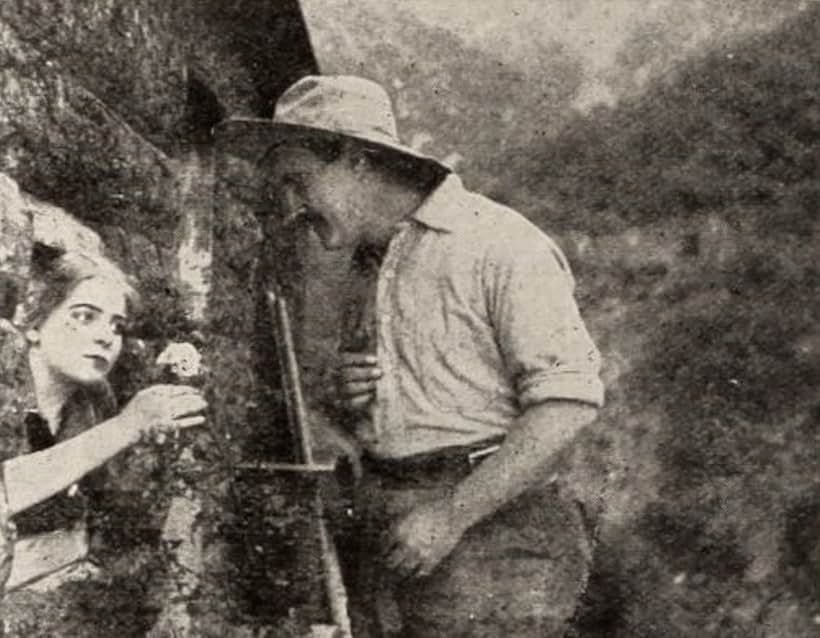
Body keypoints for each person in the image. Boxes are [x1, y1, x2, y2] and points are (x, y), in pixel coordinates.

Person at [218, 75, 605, 637]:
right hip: (399, 535)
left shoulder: (500, 244)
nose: (291, 206)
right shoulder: (367, 263)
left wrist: (451, 516)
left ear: (354, 160)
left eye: (299, 183)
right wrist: (355, 399)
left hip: (496, 542)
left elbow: (567, 406)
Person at [0, 247, 207, 634]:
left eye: (116, 326)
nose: (104, 337)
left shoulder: (91, 403)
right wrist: (126, 427)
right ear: (34, 321)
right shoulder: (5, 386)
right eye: (84, 316)